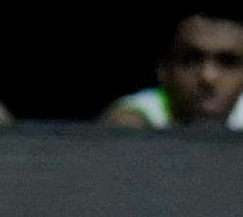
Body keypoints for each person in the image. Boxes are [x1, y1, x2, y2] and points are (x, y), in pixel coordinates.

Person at [101, 10, 243, 129]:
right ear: (163, 69)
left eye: (228, 62)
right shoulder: (134, 119)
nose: (208, 77)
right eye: (191, 60)